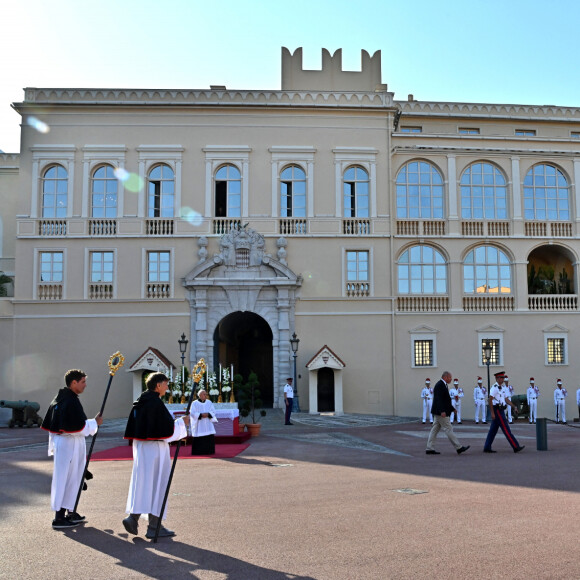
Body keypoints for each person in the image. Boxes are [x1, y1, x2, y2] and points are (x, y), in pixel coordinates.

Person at [123, 372, 190, 539]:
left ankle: (133, 518)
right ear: (158, 385)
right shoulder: (155, 403)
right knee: (158, 485)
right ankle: (153, 526)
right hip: (155, 450)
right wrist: (183, 423)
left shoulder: (140, 402)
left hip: (142, 449)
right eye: (166, 384)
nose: (167, 388)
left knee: (143, 484)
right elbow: (166, 432)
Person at [41, 369, 103, 530]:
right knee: (65, 479)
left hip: (71, 443)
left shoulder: (65, 398)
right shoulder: (68, 401)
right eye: (83, 382)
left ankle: (71, 511)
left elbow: (74, 423)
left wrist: (92, 423)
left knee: (74, 478)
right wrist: (95, 423)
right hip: (68, 444)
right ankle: (59, 517)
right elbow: (78, 426)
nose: (85, 385)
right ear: (73, 382)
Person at [425, 371, 470, 455]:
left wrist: (452, 409)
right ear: (446, 377)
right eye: (450, 378)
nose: (451, 379)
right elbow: (439, 400)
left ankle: (429, 448)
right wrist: (442, 411)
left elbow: (446, 400)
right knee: (448, 429)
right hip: (441, 412)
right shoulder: (440, 385)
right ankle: (458, 447)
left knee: (434, 430)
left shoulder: (443, 385)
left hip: (439, 411)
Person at [483, 371, 525, 453]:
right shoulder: (494, 388)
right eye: (501, 378)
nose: (502, 379)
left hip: (501, 409)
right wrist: (492, 412)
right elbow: (490, 400)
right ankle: (515, 446)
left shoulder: (501, 388)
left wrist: (513, 406)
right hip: (497, 410)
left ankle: (487, 447)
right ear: (497, 378)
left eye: (503, 378)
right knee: (506, 429)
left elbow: (506, 399)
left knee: (493, 430)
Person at [190, 387, 218, 455]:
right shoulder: (194, 403)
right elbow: (192, 413)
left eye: (206, 394)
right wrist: (200, 415)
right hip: (199, 424)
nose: (206, 395)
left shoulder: (209, 402)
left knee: (209, 436)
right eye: (204, 394)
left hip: (208, 423)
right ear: (199, 395)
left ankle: (209, 451)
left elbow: (213, 411)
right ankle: (199, 452)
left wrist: (208, 414)